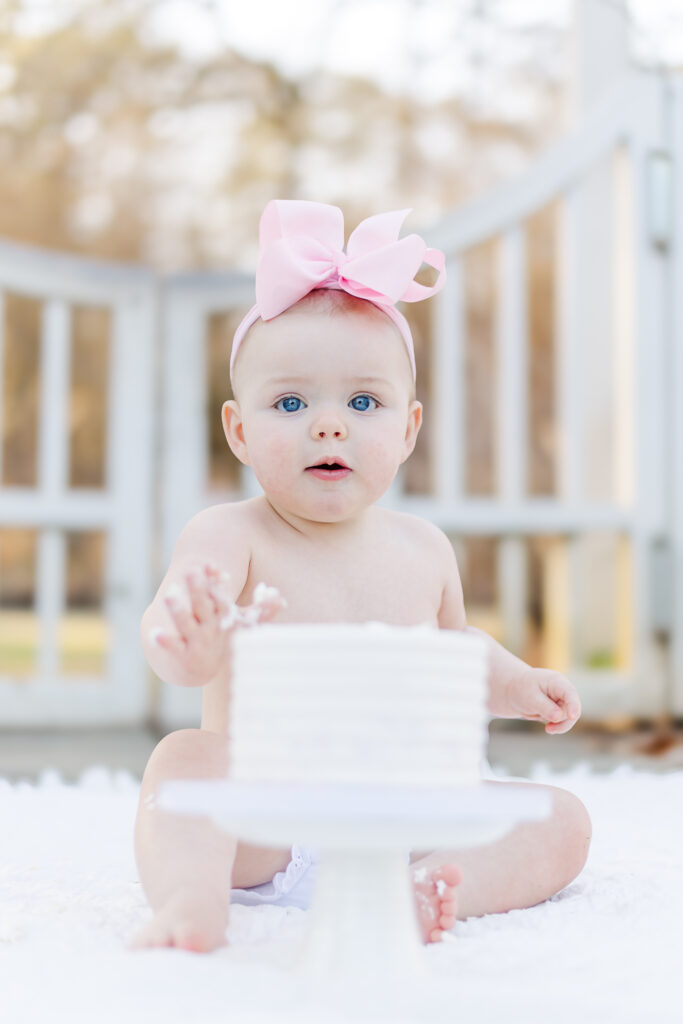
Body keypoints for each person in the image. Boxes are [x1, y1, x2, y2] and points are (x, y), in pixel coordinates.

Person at [131, 200, 591, 953]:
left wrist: (512, 683)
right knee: (182, 762)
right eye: (289, 401)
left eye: (362, 401)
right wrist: (188, 640)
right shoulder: (229, 534)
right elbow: (172, 631)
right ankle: (190, 899)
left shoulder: (422, 547)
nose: (328, 424)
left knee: (561, 819)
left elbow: (453, 654)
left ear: (406, 429)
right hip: (267, 818)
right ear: (239, 430)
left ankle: (435, 887)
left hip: (402, 813)